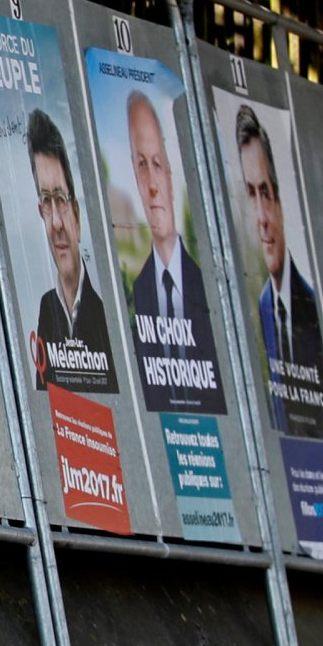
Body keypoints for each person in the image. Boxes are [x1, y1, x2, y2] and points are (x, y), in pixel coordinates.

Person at [233, 105, 323, 437]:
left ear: (281, 201)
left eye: (265, 193)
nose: (260, 217)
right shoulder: (264, 305)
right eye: (251, 194)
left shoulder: (314, 304)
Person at [124, 88, 224, 413]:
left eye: (156, 164)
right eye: (141, 165)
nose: (152, 184)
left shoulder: (209, 286)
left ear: (169, 172)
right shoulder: (137, 292)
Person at [27, 107, 116, 393]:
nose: (55, 223)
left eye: (60, 200)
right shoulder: (46, 310)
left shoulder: (106, 319)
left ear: (76, 214)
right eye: (46, 201)